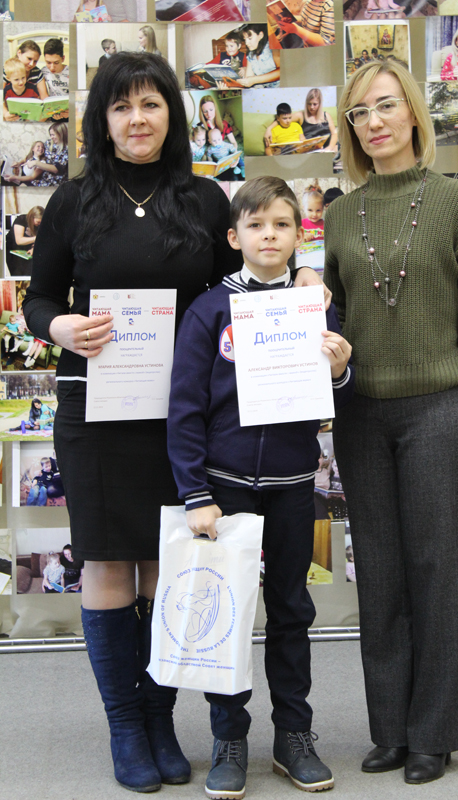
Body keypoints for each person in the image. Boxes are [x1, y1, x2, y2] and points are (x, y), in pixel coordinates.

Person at [22, 52, 324, 794]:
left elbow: (243, 282)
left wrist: (306, 280)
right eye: (122, 106)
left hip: (185, 418)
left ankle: (161, 720)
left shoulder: (204, 199)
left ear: (171, 114)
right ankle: (127, 726)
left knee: (167, 566)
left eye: (151, 104)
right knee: (106, 562)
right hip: (95, 410)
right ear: (102, 118)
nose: (137, 119)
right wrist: (59, 327)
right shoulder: (73, 200)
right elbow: (39, 297)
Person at [325, 59, 458, 784]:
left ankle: (434, 732)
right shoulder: (339, 214)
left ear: (412, 113)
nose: (374, 122)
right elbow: (336, 316)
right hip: (360, 415)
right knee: (379, 573)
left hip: (437, 408)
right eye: (360, 113)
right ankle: (392, 730)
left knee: (432, 570)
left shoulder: (457, 200)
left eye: (386, 106)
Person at [168, 176, 354, 800]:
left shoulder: (313, 305)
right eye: (255, 225)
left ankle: (293, 737)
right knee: (227, 612)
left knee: (292, 611)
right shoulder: (209, 309)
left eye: (281, 224)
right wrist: (196, 493)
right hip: (225, 491)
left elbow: (338, 396)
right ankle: (229, 739)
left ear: (299, 235)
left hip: (293, 483)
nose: (268, 235)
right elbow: (185, 408)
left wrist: (340, 370)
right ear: (234, 236)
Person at [264, 88, 337, 153]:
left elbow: (334, 133)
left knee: (336, 148)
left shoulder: (326, 115)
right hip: (312, 150)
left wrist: (330, 147)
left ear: (320, 104)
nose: (311, 107)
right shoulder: (301, 115)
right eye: (309, 104)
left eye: (315, 104)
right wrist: (269, 129)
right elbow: (282, 119)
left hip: (329, 147)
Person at [6, 204, 44, 275]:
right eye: (38, 222)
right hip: (13, 251)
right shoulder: (21, 219)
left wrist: (33, 248)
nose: (39, 224)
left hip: (27, 253)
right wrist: (36, 238)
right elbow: (19, 241)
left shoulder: (40, 225)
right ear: (32, 217)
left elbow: (40, 241)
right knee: (18, 272)